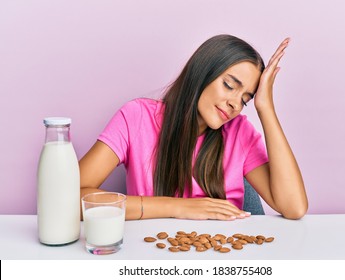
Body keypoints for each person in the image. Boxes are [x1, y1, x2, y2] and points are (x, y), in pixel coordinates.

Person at [79, 34, 308, 221]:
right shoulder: (136, 117)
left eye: (245, 99)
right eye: (229, 85)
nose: (235, 104)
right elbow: (69, 199)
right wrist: (176, 207)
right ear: (201, 72)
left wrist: (265, 107)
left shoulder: (240, 132)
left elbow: (294, 208)